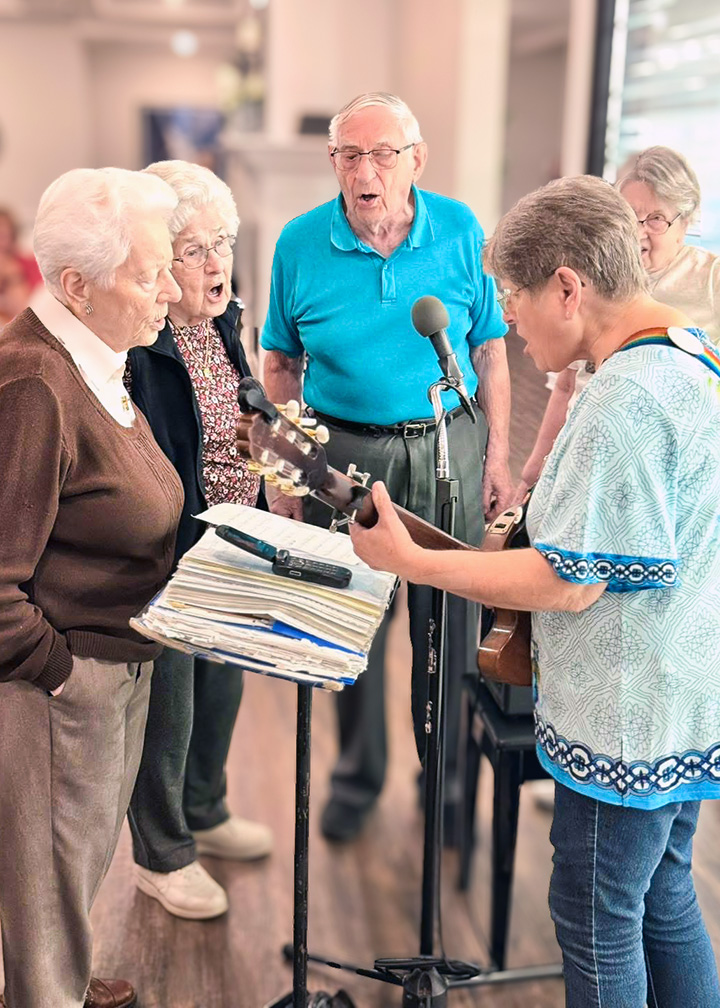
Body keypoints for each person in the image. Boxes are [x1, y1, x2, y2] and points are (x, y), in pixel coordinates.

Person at [349, 174, 720, 1008]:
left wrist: (416, 562)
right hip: (688, 690)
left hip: (630, 712)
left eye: (512, 299)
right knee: (662, 897)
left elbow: (570, 581)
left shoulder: (623, 396)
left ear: (567, 286)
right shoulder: (691, 350)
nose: (506, 321)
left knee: (594, 916)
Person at [261, 92, 512, 843]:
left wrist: (498, 451)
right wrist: (286, 471)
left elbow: (491, 347)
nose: (364, 171)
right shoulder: (300, 242)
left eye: (382, 154)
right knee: (353, 619)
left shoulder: (462, 229)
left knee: (452, 626)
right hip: (344, 450)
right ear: (333, 163)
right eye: (349, 155)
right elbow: (279, 362)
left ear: (416, 161)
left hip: (447, 443)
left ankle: (449, 789)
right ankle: (357, 778)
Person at [0, 168, 184, 1008]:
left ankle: (58, 982)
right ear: (77, 285)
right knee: (45, 893)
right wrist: (66, 675)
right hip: (55, 691)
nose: (172, 291)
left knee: (69, 879)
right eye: (149, 274)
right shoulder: (34, 385)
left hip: (109, 665)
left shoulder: (96, 359)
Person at [126, 159, 272, 921]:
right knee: (170, 706)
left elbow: (236, 410)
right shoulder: (139, 339)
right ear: (157, 258)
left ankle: (207, 808)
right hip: (172, 545)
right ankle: (162, 853)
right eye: (193, 250)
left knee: (223, 686)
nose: (216, 263)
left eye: (223, 242)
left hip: (232, 533)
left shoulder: (223, 318)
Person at [517, 145, 720, 500]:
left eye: (656, 219)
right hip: (587, 441)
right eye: (629, 217)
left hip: (658, 460)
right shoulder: (598, 275)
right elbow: (566, 387)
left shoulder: (710, 279)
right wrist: (532, 474)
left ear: (685, 224)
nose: (639, 232)